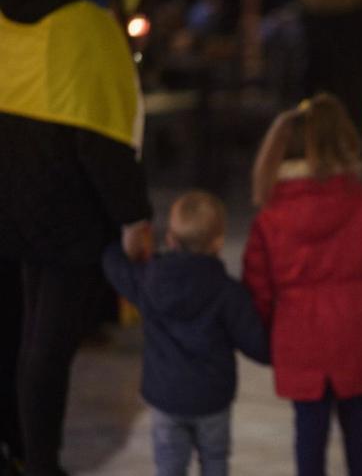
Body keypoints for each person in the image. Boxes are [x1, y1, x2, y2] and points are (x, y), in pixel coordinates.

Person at [0, 0, 153, 474]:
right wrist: (134, 216)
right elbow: (101, 140)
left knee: (22, 333)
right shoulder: (87, 26)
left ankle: (20, 449)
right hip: (68, 210)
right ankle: (42, 462)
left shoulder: (8, 18)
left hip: (11, 194)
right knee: (49, 346)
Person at [243, 93, 362, 476]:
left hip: (299, 335)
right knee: (358, 424)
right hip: (356, 328)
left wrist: (264, 333)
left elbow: (257, 285)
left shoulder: (271, 213)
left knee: (308, 431)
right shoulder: (361, 201)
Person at [102, 191, 270, 476]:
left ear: (169, 238)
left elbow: (113, 265)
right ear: (218, 241)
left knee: (169, 465)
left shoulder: (149, 280)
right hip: (212, 400)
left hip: (166, 398)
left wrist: (119, 246)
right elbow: (258, 345)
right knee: (215, 461)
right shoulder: (228, 293)